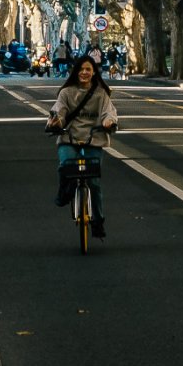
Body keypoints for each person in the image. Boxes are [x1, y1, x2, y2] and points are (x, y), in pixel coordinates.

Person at [48, 54, 118, 237]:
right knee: (66, 165)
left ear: (94, 72)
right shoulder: (66, 92)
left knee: (94, 182)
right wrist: (56, 121)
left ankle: (98, 221)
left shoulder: (101, 93)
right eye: (81, 69)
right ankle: (65, 191)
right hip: (68, 138)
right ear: (75, 71)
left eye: (88, 69)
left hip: (93, 140)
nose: (84, 72)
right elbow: (59, 110)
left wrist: (109, 123)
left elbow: (109, 113)